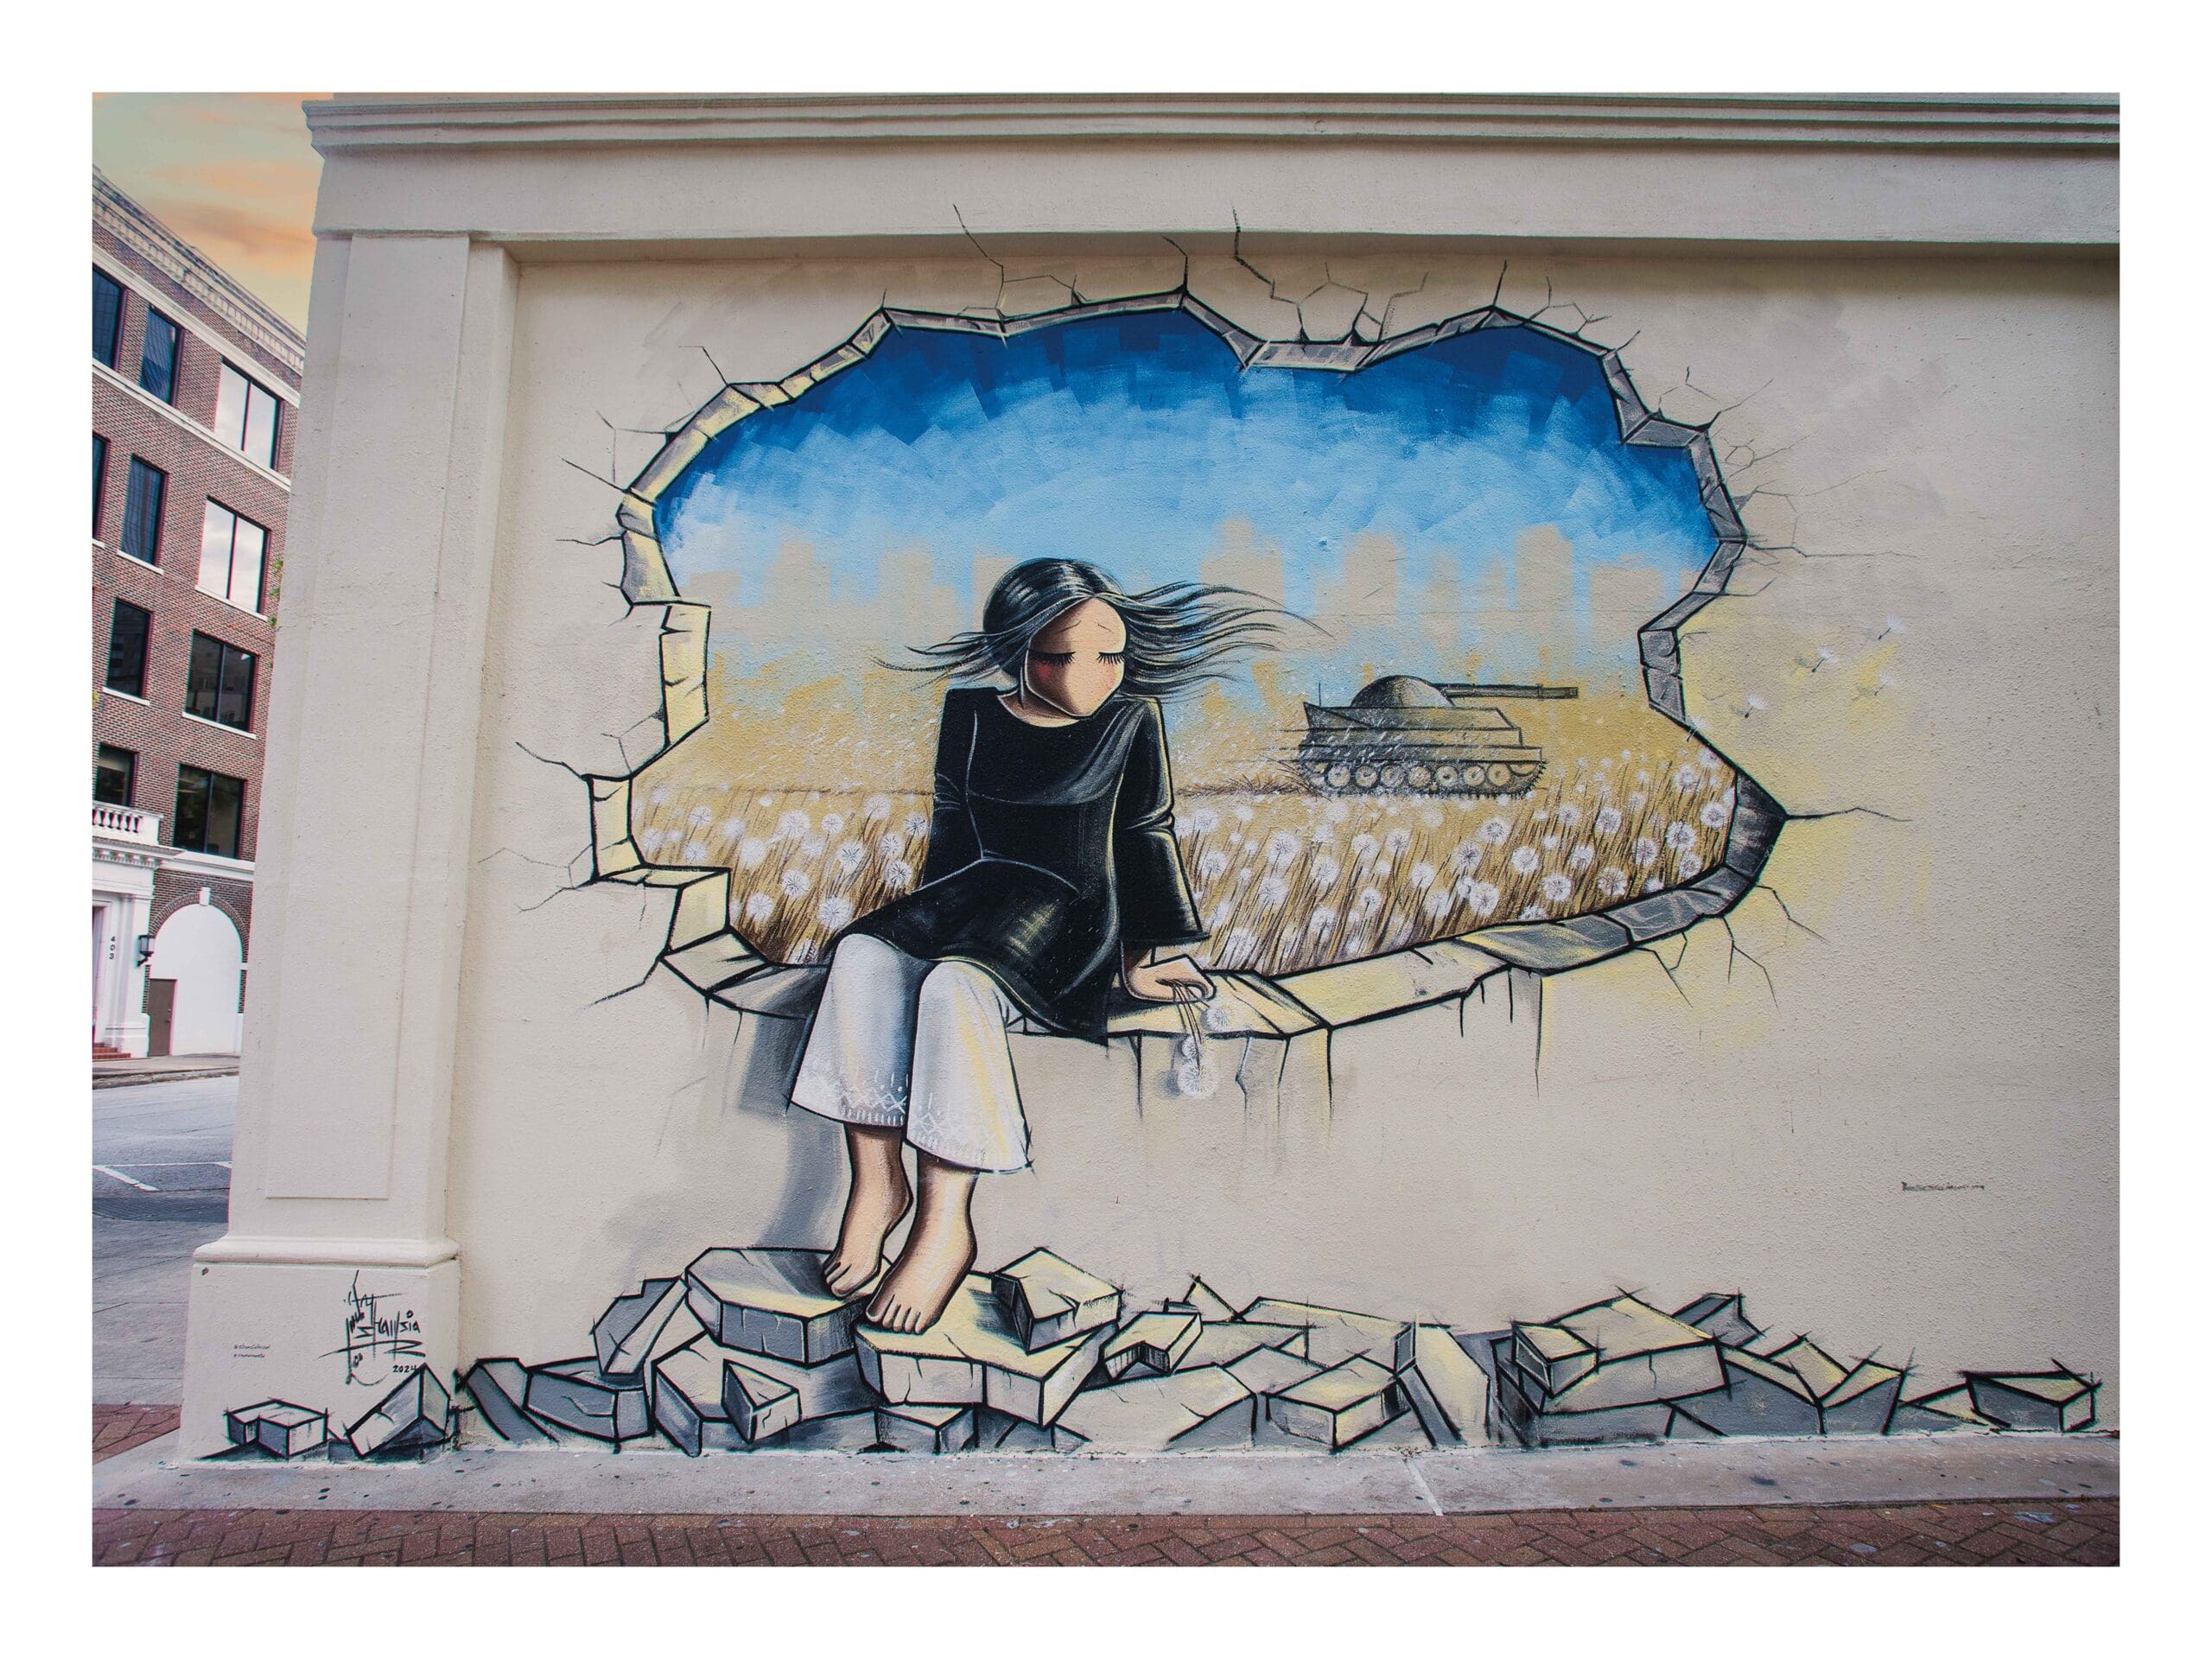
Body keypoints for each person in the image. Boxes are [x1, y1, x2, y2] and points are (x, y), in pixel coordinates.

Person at [789, 557, 1290, 1333]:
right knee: (862, 956)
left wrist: (1144, 959)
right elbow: (952, 828)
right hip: (978, 892)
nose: (1095, 675)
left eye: (1111, 656)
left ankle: (944, 1222)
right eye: (1065, 657)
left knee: (956, 986)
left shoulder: (1131, 722)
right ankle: (877, 1182)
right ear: (1017, 650)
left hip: (1071, 915)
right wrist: (924, 923)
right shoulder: (970, 715)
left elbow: (1146, 834)